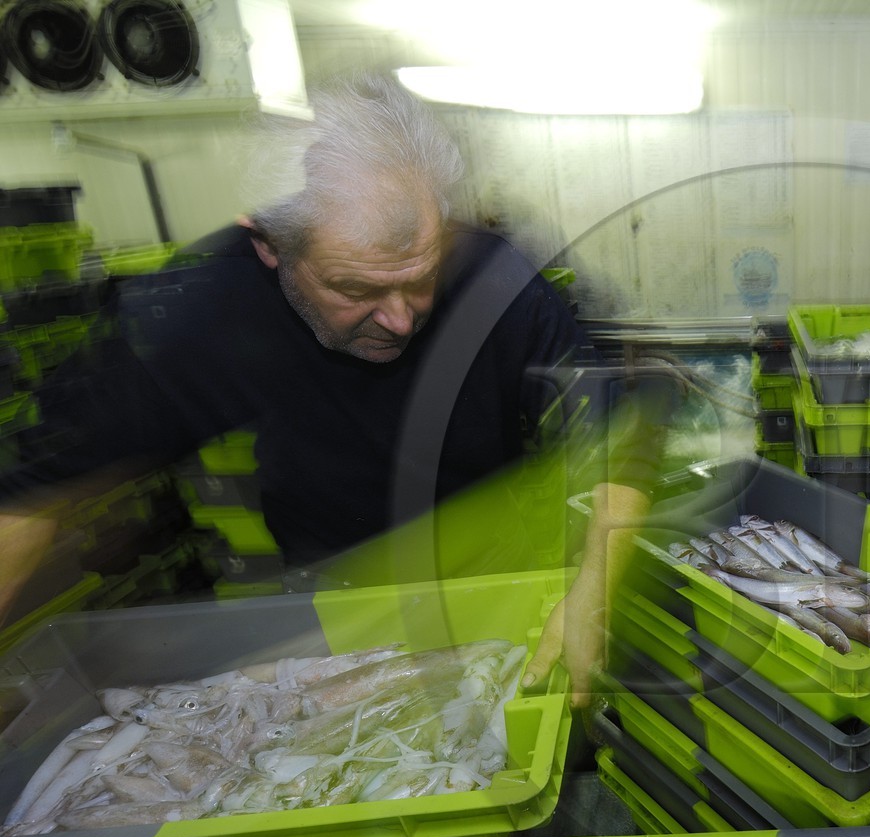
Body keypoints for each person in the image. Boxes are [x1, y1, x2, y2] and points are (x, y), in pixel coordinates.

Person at [0, 74, 659, 706]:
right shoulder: (200, 309)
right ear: (268, 245)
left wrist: (593, 591)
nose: (399, 318)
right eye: (355, 288)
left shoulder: (493, 277)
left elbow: (618, 432)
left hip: (497, 587)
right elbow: (29, 494)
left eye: (420, 278)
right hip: (338, 606)